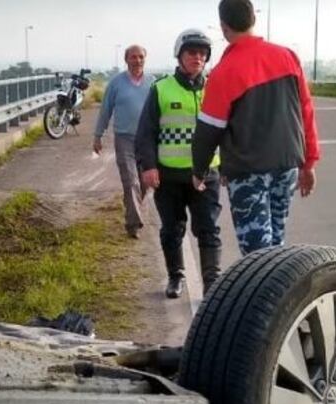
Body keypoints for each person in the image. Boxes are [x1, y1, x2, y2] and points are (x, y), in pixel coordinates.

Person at [191, 0, 320, 255]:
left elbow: (209, 129)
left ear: (223, 27)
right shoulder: (287, 56)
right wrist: (310, 163)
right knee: (276, 245)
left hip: (248, 171)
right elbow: (306, 111)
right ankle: (281, 292)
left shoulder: (224, 71)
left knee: (256, 255)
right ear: (253, 20)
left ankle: (265, 294)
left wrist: (199, 169)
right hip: (287, 166)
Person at [135, 29, 223, 299]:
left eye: (202, 53)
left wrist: (229, 165)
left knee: (208, 229)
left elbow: (227, 130)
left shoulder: (215, 89)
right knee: (172, 229)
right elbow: (146, 132)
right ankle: (176, 276)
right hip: (169, 176)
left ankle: (212, 282)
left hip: (206, 176)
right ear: (180, 56)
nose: (197, 57)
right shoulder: (161, 88)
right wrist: (148, 166)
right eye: (191, 53)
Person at [93, 45, 156, 238]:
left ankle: (131, 207)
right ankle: (133, 224)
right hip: (124, 138)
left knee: (144, 182)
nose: (137, 60)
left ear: (145, 59)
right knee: (130, 181)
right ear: (126, 59)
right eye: (133, 57)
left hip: (147, 140)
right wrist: (98, 135)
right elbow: (105, 110)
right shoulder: (116, 83)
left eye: (140, 57)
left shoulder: (152, 83)